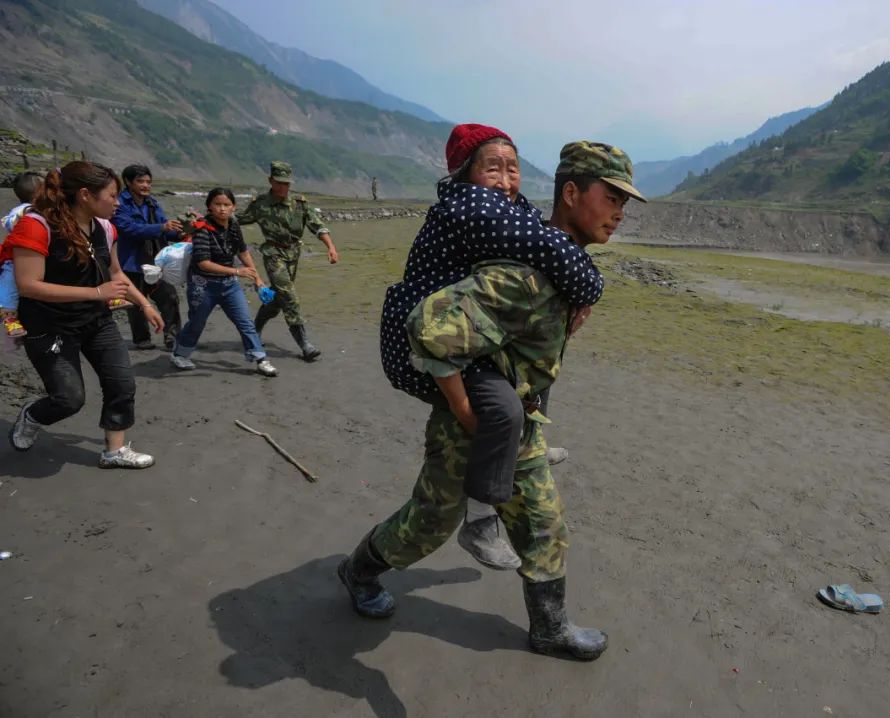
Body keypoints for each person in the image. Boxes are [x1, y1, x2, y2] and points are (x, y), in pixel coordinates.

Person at [340, 140, 645, 661]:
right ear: (571, 193)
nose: (619, 213)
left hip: (516, 425)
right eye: (611, 197)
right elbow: (431, 327)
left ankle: (550, 628)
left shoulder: (559, 263)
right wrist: (461, 406)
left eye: (625, 202)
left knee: (544, 521)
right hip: (470, 429)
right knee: (429, 524)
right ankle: (358, 571)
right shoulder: (526, 274)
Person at [378, 124, 606, 571]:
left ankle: (526, 441)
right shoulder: (470, 206)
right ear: (465, 174)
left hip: (472, 336)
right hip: (434, 337)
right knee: (441, 501)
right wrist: (591, 286)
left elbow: (539, 243)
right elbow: (545, 246)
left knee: (533, 368)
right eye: (492, 169)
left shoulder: (505, 207)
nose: (504, 180)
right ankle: (479, 518)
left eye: (513, 169)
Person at [6, 161, 163, 469]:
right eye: (112, 195)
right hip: (49, 325)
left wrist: (144, 303)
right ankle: (32, 415)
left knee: (121, 383)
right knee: (68, 399)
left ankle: (114, 451)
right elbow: (28, 285)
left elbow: (115, 272)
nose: (118, 203)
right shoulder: (36, 226)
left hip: (95, 320)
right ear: (85, 195)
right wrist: (96, 293)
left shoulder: (104, 227)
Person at [170, 188, 278, 377]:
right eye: (217, 204)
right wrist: (237, 271)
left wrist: (257, 277)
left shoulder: (234, 226)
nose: (222, 209)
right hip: (203, 286)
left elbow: (242, 251)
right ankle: (180, 354)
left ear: (233, 207)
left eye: (226, 205)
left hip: (229, 285)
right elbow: (203, 263)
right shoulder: (201, 229)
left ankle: (260, 358)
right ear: (209, 207)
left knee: (244, 321)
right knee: (197, 322)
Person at [236, 161, 338, 360]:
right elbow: (234, 218)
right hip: (273, 254)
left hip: (293, 255)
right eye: (279, 183)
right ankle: (304, 345)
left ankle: (254, 330)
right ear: (270, 181)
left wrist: (331, 247)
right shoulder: (260, 204)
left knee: (277, 301)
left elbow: (317, 226)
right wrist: (202, 220)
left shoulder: (299, 204)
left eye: (287, 183)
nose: (283, 187)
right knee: (289, 296)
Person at [112, 164, 183, 351]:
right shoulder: (120, 204)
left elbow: (165, 229)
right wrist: (162, 228)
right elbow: (128, 229)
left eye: (148, 182)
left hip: (156, 259)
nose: (145, 185)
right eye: (140, 181)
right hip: (132, 261)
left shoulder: (152, 203)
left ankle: (172, 336)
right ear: (128, 182)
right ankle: (142, 339)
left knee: (169, 296)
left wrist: (182, 232)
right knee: (137, 301)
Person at [1, 172, 45, 338]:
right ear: (38, 194)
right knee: (8, 286)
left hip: (36, 254)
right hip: (15, 259)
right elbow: (10, 222)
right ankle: (10, 318)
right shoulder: (23, 211)